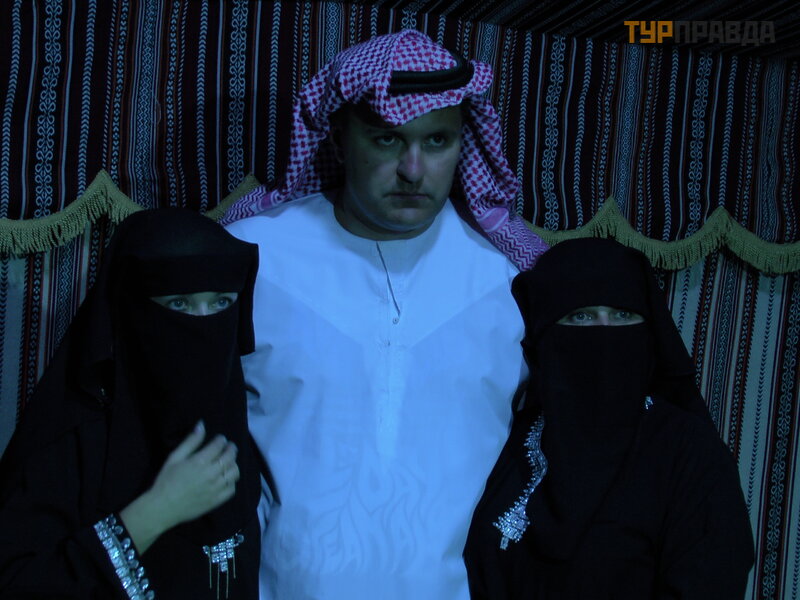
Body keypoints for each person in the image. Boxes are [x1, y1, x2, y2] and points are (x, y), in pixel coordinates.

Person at [222, 30, 548, 598]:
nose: (413, 170)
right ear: (339, 140)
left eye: (437, 140)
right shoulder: (250, 258)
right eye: (387, 139)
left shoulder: (511, 278)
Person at [464, 237, 755, 599]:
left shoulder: (689, 453)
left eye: (622, 315)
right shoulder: (509, 440)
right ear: (545, 335)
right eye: (581, 316)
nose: (604, 332)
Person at [0, 209, 262, 599]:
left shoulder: (231, 423)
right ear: (134, 311)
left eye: (221, 302)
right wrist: (153, 513)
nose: (203, 324)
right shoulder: (75, 441)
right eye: (179, 304)